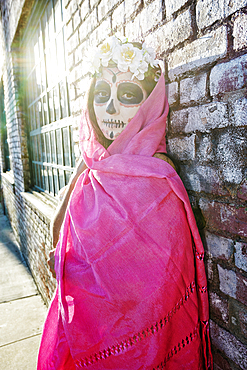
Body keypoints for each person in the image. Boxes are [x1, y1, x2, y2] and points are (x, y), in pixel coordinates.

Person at [38, 37, 213, 370]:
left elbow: (159, 289)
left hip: (141, 348)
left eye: (128, 96)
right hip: (88, 336)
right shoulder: (93, 169)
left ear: (149, 103)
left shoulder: (157, 179)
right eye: (101, 96)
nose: (110, 109)